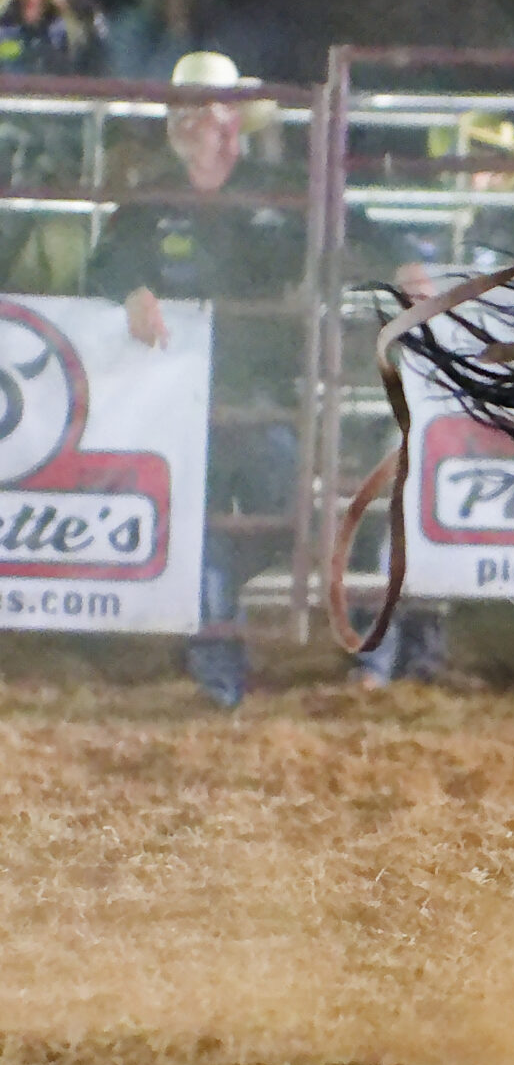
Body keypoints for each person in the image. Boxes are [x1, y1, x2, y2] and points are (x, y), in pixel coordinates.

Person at [89, 52, 431, 705]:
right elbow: (101, 266)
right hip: (184, 402)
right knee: (210, 525)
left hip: (270, 393)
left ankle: (357, 645)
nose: (192, 120)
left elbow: (358, 228)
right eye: (184, 108)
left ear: (234, 119)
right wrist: (129, 290)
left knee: (293, 514)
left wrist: (403, 262)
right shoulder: (150, 201)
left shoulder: (281, 190)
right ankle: (220, 674)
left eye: (205, 107)